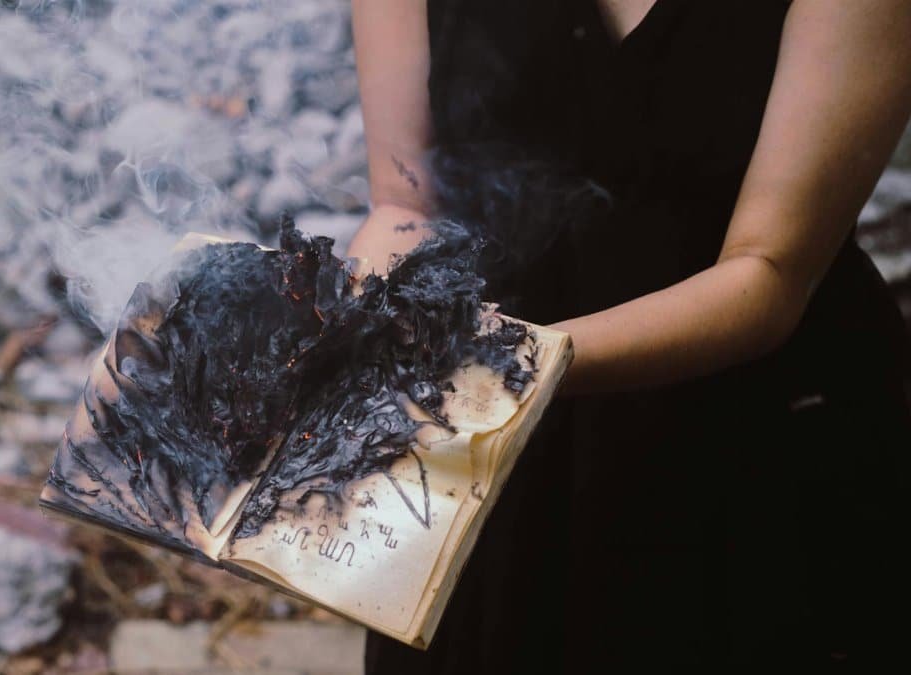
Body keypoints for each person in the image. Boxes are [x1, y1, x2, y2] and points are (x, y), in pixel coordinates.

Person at [347, 0, 911, 672]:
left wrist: (507, 364)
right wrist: (357, 331)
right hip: (479, 453)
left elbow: (768, 272)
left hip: (744, 454)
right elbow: (405, 204)